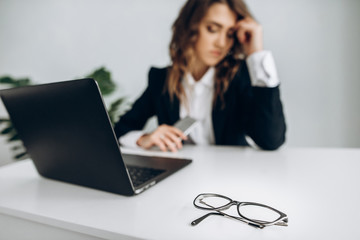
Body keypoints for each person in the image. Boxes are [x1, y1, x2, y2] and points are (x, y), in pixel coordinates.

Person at [114, 0, 286, 152]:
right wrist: (144, 138)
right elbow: (120, 130)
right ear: (190, 27)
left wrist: (256, 53)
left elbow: (271, 140)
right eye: (212, 29)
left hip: (229, 176)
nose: (221, 43)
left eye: (230, 34)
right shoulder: (161, 80)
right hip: (180, 175)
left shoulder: (239, 77)